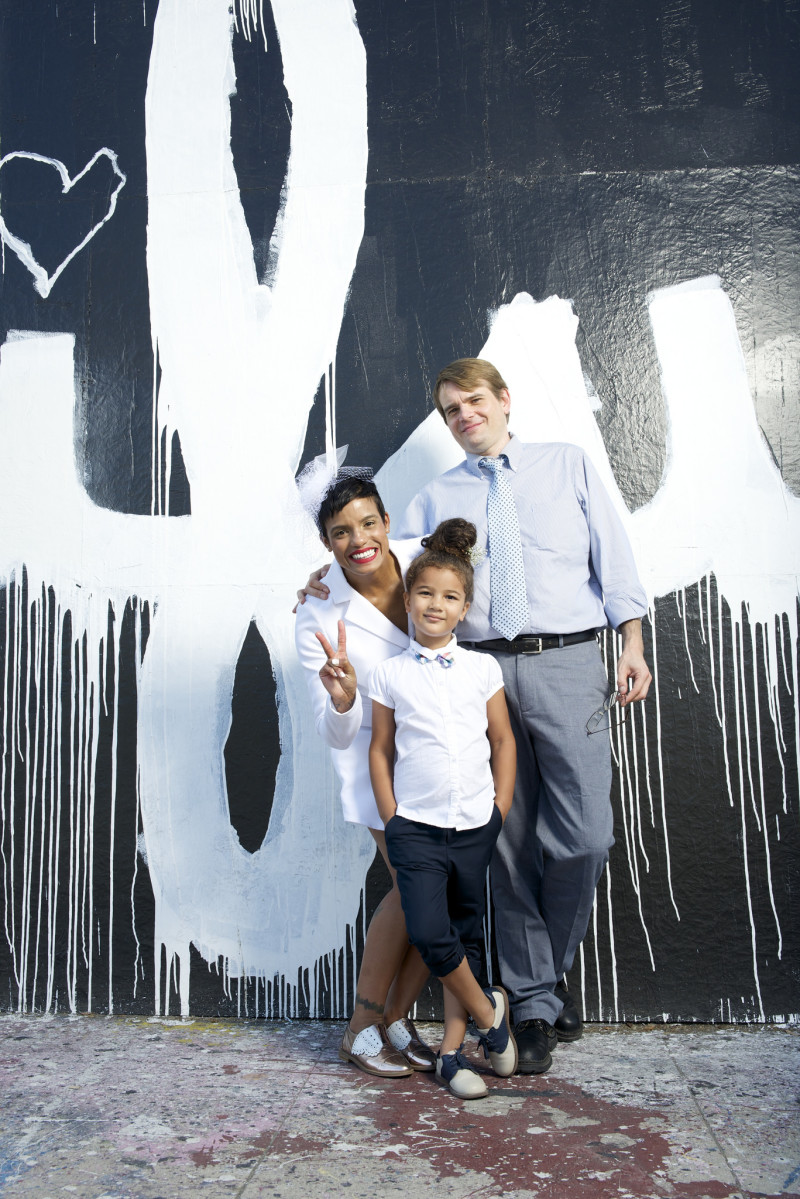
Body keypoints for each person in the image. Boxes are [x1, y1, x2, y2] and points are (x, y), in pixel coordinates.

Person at [394, 358, 652, 1074]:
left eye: (473, 400)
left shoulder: (566, 464)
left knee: (584, 837)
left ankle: (548, 969)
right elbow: (392, 576)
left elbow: (614, 556)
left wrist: (631, 642)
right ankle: (535, 1001)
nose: (463, 415)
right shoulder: (436, 496)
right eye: (450, 410)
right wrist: (324, 579)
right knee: (504, 843)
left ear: (503, 401)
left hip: (569, 657)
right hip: (478, 670)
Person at [367, 519, 518, 1099]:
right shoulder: (389, 673)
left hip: (476, 824)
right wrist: (393, 817)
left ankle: (453, 1056)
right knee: (432, 935)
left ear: (464, 608)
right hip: (417, 830)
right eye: (425, 593)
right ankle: (490, 1015)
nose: (435, 604)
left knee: (464, 936)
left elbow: (501, 741)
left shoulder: (483, 668)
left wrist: (500, 808)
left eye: (449, 597)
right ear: (407, 600)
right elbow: (380, 750)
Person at [294, 475, 435, 1078]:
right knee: (419, 890)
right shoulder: (317, 616)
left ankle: (396, 1021)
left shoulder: (430, 556)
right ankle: (362, 1027)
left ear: (385, 519)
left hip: (447, 760)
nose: (359, 540)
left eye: (367, 523)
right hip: (380, 774)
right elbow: (334, 732)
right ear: (327, 545)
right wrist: (346, 698)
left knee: (447, 894)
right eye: (341, 533)